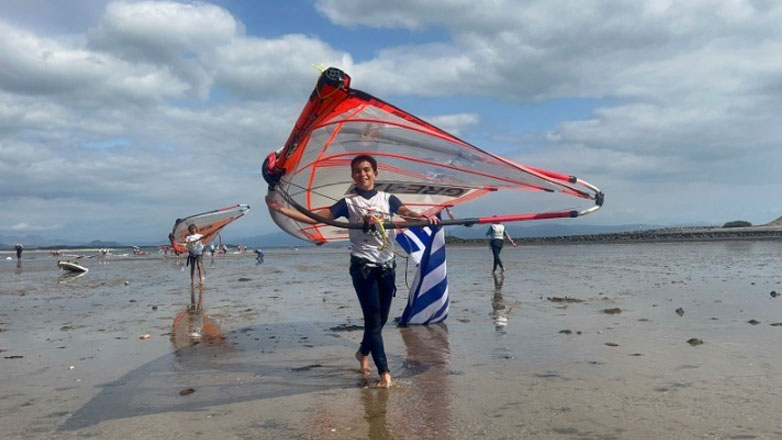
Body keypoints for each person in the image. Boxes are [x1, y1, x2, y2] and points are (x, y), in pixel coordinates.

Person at [267, 154, 439, 388]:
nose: (362, 174)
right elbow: (315, 218)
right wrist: (283, 210)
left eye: (367, 169)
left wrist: (421, 217)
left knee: (381, 319)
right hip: (363, 268)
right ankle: (384, 374)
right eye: (358, 171)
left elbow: (406, 212)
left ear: (375, 173)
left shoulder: (388, 199)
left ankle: (362, 353)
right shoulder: (348, 203)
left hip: (387, 267)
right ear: (353, 175)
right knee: (373, 320)